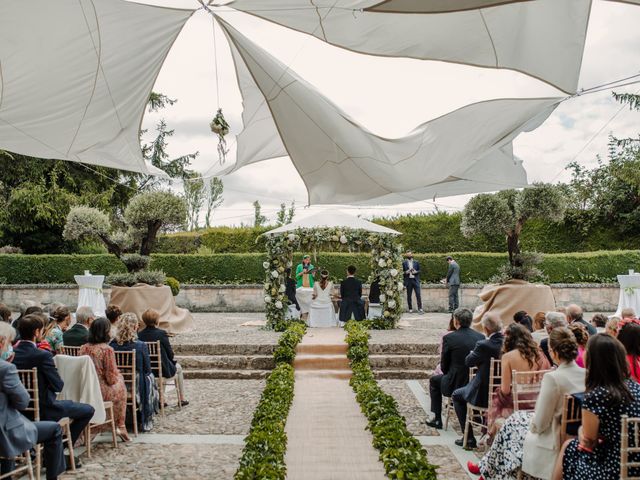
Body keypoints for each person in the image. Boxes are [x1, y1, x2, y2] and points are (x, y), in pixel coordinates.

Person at [469, 327, 585, 480]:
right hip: (576, 433)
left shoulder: (553, 378)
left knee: (511, 426)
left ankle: (485, 470)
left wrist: (529, 425)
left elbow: (539, 424)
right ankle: (485, 469)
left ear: (554, 352)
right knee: (514, 420)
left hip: (553, 436)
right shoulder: (586, 374)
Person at [553, 334, 640, 480]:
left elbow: (588, 441)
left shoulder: (596, 396)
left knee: (568, 447)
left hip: (611, 468)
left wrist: (581, 430)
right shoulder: (636, 387)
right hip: (636, 463)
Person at [12, 315, 94, 467]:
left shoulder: (11, 354)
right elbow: (58, 385)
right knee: (88, 410)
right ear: (37, 332)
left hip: (18, 410)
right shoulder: (42, 355)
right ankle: (57, 451)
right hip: (45, 408)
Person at [0, 322, 66, 479]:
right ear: (2, 342)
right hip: (6, 430)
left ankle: (7, 474)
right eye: (9, 342)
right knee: (55, 429)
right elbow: (23, 402)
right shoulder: (5, 369)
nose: (11, 346)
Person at [486, 323, 551, 438]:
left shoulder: (508, 357)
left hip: (517, 405)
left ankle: (493, 435)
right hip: (537, 402)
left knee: (497, 397)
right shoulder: (540, 354)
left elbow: (505, 390)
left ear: (509, 339)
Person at [452, 312, 504, 449]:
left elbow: (468, 362)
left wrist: (473, 355)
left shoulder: (484, 345)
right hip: (502, 393)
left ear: (486, 329)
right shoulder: (507, 343)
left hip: (484, 393)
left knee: (457, 395)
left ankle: (468, 437)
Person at [427, 308, 483, 430]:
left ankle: (437, 418)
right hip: (475, 383)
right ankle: (476, 416)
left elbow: (444, 365)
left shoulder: (450, 338)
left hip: (455, 382)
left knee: (434, 381)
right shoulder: (480, 336)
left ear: (456, 321)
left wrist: (449, 374)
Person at [79, 318, 131, 442]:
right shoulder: (106, 350)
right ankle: (120, 425)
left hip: (87, 388)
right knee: (121, 388)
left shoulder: (83, 348)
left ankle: (94, 427)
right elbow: (111, 378)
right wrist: (119, 376)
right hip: (101, 390)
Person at [110, 312, 155, 431]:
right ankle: (144, 415)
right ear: (135, 327)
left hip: (117, 383)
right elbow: (147, 369)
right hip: (135, 386)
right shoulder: (141, 346)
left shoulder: (112, 345)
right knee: (150, 378)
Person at [138, 309, 188, 407]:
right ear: (157, 321)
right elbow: (170, 353)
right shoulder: (161, 334)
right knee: (178, 368)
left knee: (163, 365)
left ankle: (161, 399)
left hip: (147, 370)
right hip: (162, 368)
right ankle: (181, 398)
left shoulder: (140, 335)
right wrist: (170, 360)